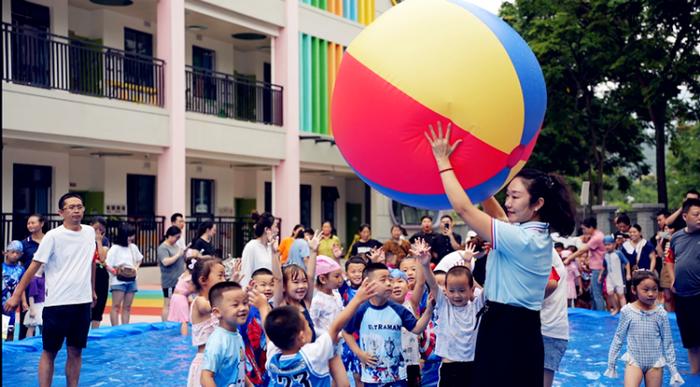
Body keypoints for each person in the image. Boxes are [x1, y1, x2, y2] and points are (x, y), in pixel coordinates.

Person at [425, 122, 576, 386]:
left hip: (506, 328)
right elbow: (498, 216)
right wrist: (479, 181)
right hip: (521, 328)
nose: (508, 202)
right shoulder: (533, 235)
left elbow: (463, 209)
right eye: (507, 195)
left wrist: (442, 160)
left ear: (538, 203)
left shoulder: (521, 239)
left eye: (515, 196)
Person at [4, 192, 97, 387]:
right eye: (71, 207)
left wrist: (93, 289)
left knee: (76, 351)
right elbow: (34, 266)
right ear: (61, 212)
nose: (76, 210)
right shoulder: (53, 236)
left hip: (82, 302)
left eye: (79, 206)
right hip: (57, 303)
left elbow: (91, 261)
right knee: (49, 351)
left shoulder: (89, 232)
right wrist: (16, 294)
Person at [265, 279, 378, 387]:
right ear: (302, 336)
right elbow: (335, 327)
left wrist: (262, 306)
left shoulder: (272, 360)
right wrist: (357, 299)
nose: (310, 326)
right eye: (306, 324)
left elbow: (269, 335)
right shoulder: (312, 355)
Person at [417, 244, 484, 387]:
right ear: (445, 290)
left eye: (461, 290)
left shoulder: (476, 306)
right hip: (450, 366)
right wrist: (425, 265)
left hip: (472, 366)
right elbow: (433, 284)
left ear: (471, 290)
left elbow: (488, 286)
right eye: (452, 290)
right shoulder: (444, 305)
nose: (457, 295)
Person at [605, 271, 684, 386]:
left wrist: (674, 370)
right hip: (634, 361)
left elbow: (667, 342)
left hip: (655, 363)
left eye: (654, 289)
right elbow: (618, 338)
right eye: (646, 290)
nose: (651, 294)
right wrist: (611, 363)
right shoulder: (627, 312)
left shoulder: (661, 314)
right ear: (633, 290)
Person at [200, 281, 258, 387]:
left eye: (245, 303)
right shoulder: (218, 341)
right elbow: (205, 377)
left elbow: (237, 371)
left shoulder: (237, 336)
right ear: (217, 312)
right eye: (235, 305)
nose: (243, 308)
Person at [668, 198, 700, 375]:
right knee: (690, 339)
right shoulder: (677, 237)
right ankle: (695, 373)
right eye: (696, 214)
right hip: (682, 295)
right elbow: (670, 260)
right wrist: (672, 279)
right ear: (685, 216)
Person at [188, 257, 226, 387]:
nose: (224, 280)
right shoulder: (199, 301)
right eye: (220, 276)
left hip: (220, 360)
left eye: (225, 276)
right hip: (205, 361)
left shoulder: (220, 305)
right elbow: (207, 308)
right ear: (203, 280)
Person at [565, 217, 606, 311]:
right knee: (593, 292)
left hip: (598, 268)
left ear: (591, 227)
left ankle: (600, 315)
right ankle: (596, 312)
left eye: (584, 228)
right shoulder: (598, 235)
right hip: (596, 267)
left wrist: (569, 258)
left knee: (596, 293)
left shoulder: (596, 237)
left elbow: (582, 250)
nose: (583, 231)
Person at [541, 252, 569, 387]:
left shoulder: (541, 251)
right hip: (554, 329)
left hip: (546, 329)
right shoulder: (546, 251)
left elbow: (551, 284)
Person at [106, 224, 143, 326]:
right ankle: (115, 328)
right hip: (118, 281)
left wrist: (136, 268)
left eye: (132, 235)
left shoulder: (133, 247)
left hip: (132, 280)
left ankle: (125, 328)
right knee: (116, 306)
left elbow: (139, 259)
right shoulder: (114, 248)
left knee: (127, 307)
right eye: (130, 235)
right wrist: (114, 272)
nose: (132, 238)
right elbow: (106, 264)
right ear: (123, 235)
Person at [18, 214, 44, 339]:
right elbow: (20, 267)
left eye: (33, 222)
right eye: (28, 223)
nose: (30, 225)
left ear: (42, 224)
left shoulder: (49, 240)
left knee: (46, 318)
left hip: (46, 285)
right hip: (30, 285)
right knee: (28, 319)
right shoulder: (24, 244)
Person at [241, 212, 276, 287]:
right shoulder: (251, 246)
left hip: (271, 292)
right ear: (267, 229)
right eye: (275, 227)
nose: (277, 230)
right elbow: (246, 272)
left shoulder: (271, 247)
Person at [158, 225, 185, 322]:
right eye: (176, 237)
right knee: (167, 303)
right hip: (169, 280)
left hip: (178, 279)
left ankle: (174, 320)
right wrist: (178, 255)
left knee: (177, 302)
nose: (177, 240)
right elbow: (165, 262)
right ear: (170, 236)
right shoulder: (163, 248)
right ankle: (165, 324)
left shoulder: (175, 246)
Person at [2, 240, 26, 341]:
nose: (15, 255)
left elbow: (21, 286)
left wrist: (24, 302)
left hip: (10, 303)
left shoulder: (21, 269)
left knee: (10, 328)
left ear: (21, 254)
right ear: (6, 252)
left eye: (18, 253)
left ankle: (8, 349)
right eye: (12, 252)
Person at [89, 217, 110, 329]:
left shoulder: (104, 240)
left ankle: (94, 331)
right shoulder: (84, 238)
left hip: (100, 274)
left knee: (100, 304)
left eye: (100, 229)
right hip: (87, 274)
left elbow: (102, 258)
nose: (97, 232)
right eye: (95, 228)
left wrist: (98, 241)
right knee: (87, 304)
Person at [601, 235, 629, 315]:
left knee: (621, 294)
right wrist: (601, 276)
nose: (607, 247)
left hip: (619, 277)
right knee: (610, 293)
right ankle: (616, 308)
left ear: (614, 244)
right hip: (610, 277)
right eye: (605, 245)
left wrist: (628, 274)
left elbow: (626, 263)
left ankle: (624, 311)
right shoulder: (605, 255)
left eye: (609, 244)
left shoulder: (618, 253)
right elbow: (604, 266)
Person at [168, 257, 196, 336]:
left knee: (180, 318)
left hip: (175, 297)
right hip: (181, 298)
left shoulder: (183, 275)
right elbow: (191, 289)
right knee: (184, 320)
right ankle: (184, 338)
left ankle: (180, 334)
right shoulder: (191, 278)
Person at [23, 265, 45, 338]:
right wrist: (32, 309)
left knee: (43, 325)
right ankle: (28, 342)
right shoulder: (34, 279)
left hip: (43, 304)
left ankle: (42, 343)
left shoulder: (44, 278)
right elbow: (31, 295)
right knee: (32, 326)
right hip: (36, 305)